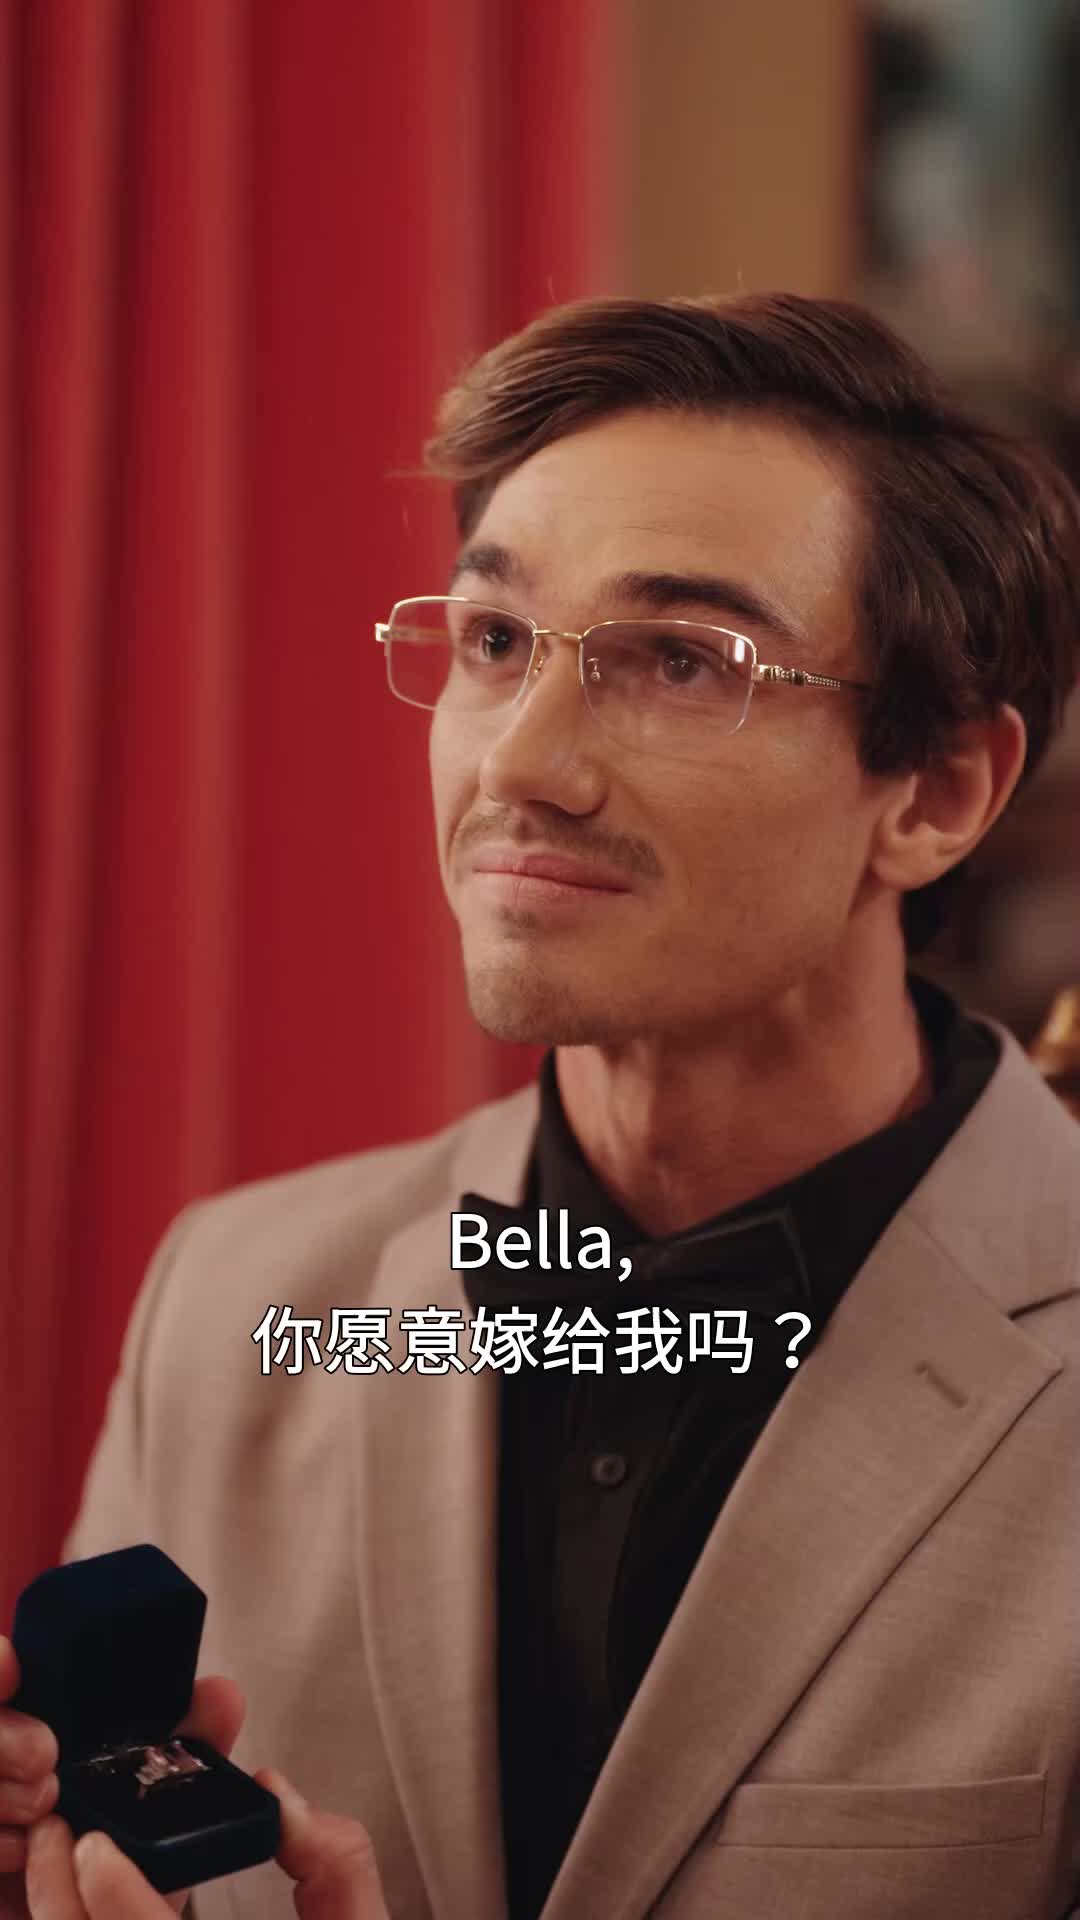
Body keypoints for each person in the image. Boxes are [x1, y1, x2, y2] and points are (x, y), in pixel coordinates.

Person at [4, 292, 1080, 1920]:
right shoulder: (228, 1305)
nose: (521, 765)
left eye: (679, 661)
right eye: (496, 642)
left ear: (935, 793)